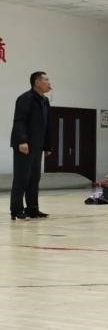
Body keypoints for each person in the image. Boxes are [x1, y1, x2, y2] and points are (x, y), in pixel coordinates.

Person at [10, 71, 52, 220]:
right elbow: (19, 121)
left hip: (37, 146)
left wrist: (47, 146)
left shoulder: (45, 101)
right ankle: (16, 210)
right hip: (24, 145)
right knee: (21, 178)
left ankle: (33, 209)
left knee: (34, 179)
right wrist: (22, 140)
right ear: (37, 82)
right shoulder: (25, 98)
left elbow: (46, 125)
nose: (49, 83)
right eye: (46, 80)